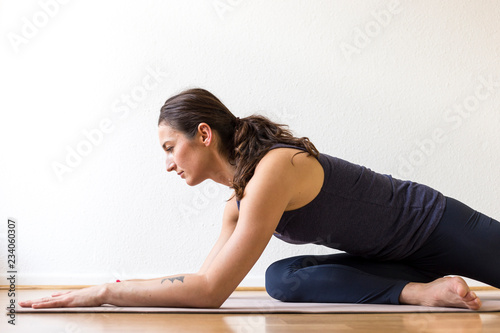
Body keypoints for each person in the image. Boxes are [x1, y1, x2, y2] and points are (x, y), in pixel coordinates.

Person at [20, 88, 499, 310]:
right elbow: (207, 282)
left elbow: (209, 294)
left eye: (170, 148)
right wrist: (112, 286)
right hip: (393, 262)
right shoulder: (238, 200)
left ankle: (426, 283)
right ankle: (420, 291)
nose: (168, 164)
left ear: (203, 134)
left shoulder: (273, 171)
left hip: (436, 226)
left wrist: (106, 293)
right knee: (282, 278)